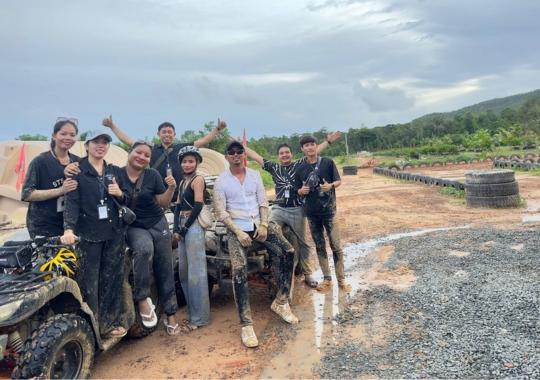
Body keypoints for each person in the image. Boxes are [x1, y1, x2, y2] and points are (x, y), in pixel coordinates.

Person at [213, 141, 298, 348]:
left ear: (244, 155)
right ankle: (246, 324)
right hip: (237, 229)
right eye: (231, 153)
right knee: (240, 270)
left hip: (259, 225)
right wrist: (238, 231)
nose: (236, 155)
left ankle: (281, 301)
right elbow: (221, 212)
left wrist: (263, 225)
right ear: (226, 157)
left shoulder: (255, 176)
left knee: (288, 251)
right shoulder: (221, 181)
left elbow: (262, 202)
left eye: (239, 152)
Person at [243, 131, 341, 288]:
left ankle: (308, 273)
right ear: (278, 156)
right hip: (278, 208)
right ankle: (279, 261)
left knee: (303, 242)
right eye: (281, 153)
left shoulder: (299, 165)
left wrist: (328, 142)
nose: (284, 155)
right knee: (267, 230)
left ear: (292, 154)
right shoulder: (274, 167)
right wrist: (242, 147)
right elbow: (256, 156)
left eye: (287, 152)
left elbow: (313, 151)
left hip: (297, 209)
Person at [61, 130, 129, 338]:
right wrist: (68, 228)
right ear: (87, 145)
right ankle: (92, 329)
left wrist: (120, 194)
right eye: (96, 142)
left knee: (112, 279)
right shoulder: (77, 171)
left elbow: (125, 199)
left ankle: (109, 323)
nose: (101, 145)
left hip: (113, 233)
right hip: (88, 234)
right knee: (90, 282)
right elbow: (71, 203)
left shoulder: (114, 171)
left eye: (105, 142)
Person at [118, 140, 180, 335]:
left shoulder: (152, 175)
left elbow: (162, 203)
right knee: (144, 250)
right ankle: (142, 298)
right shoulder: (117, 175)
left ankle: (170, 314)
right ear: (130, 152)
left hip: (157, 223)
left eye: (146, 155)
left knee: (165, 267)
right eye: (139, 152)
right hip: (134, 225)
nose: (142, 157)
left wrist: (171, 188)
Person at [102, 115, 226, 200]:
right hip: (158, 195)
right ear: (158, 134)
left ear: (174, 134)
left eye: (169, 132)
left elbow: (203, 141)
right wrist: (112, 126)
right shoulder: (151, 149)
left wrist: (217, 129)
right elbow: (129, 141)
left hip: (181, 195)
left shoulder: (181, 148)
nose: (167, 134)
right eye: (164, 132)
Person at [295, 135, 351, 292]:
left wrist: (331, 186)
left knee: (336, 245)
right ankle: (327, 280)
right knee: (320, 246)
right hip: (312, 214)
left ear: (315, 146)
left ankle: (342, 280)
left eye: (312, 144)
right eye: (306, 145)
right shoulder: (300, 169)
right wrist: (301, 191)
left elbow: (338, 181)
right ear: (302, 149)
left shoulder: (327, 162)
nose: (310, 147)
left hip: (329, 212)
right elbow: (297, 191)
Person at [22, 118, 79, 238]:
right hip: (43, 226)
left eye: (72, 135)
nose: (68, 138)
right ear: (54, 136)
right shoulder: (40, 162)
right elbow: (27, 194)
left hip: (68, 227)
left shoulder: (77, 162)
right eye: (63, 134)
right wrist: (60, 190)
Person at [172, 146, 209, 332]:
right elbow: (178, 205)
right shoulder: (182, 182)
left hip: (193, 226)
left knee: (197, 272)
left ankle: (200, 317)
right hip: (182, 224)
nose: (187, 164)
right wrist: (176, 228)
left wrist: (184, 229)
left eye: (191, 161)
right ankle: (191, 310)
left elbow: (198, 205)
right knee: (184, 271)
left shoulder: (197, 180)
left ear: (197, 162)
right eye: (184, 161)